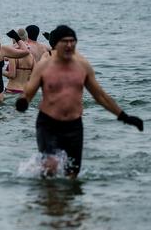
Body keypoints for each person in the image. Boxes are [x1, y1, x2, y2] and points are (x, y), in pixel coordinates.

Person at [15, 25, 143, 178]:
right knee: (51, 166)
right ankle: (47, 197)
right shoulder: (44, 66)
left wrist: (124, 116)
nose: (69, 45)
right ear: (56, 44)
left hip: (74, 126)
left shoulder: (82, 66)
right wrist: (24, 101)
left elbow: (100, 96)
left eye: (72, 41)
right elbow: (29, 90)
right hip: (48, 124)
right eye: (65, 41)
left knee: (72, 175)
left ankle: (67, 199)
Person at [3, 28, 35, 94]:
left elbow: (12, 75)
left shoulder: (13, 55)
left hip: (11, 90)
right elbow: (34, 76)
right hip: (25, 91)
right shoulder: (31, 56)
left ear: (15, 38)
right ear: (26, 38)